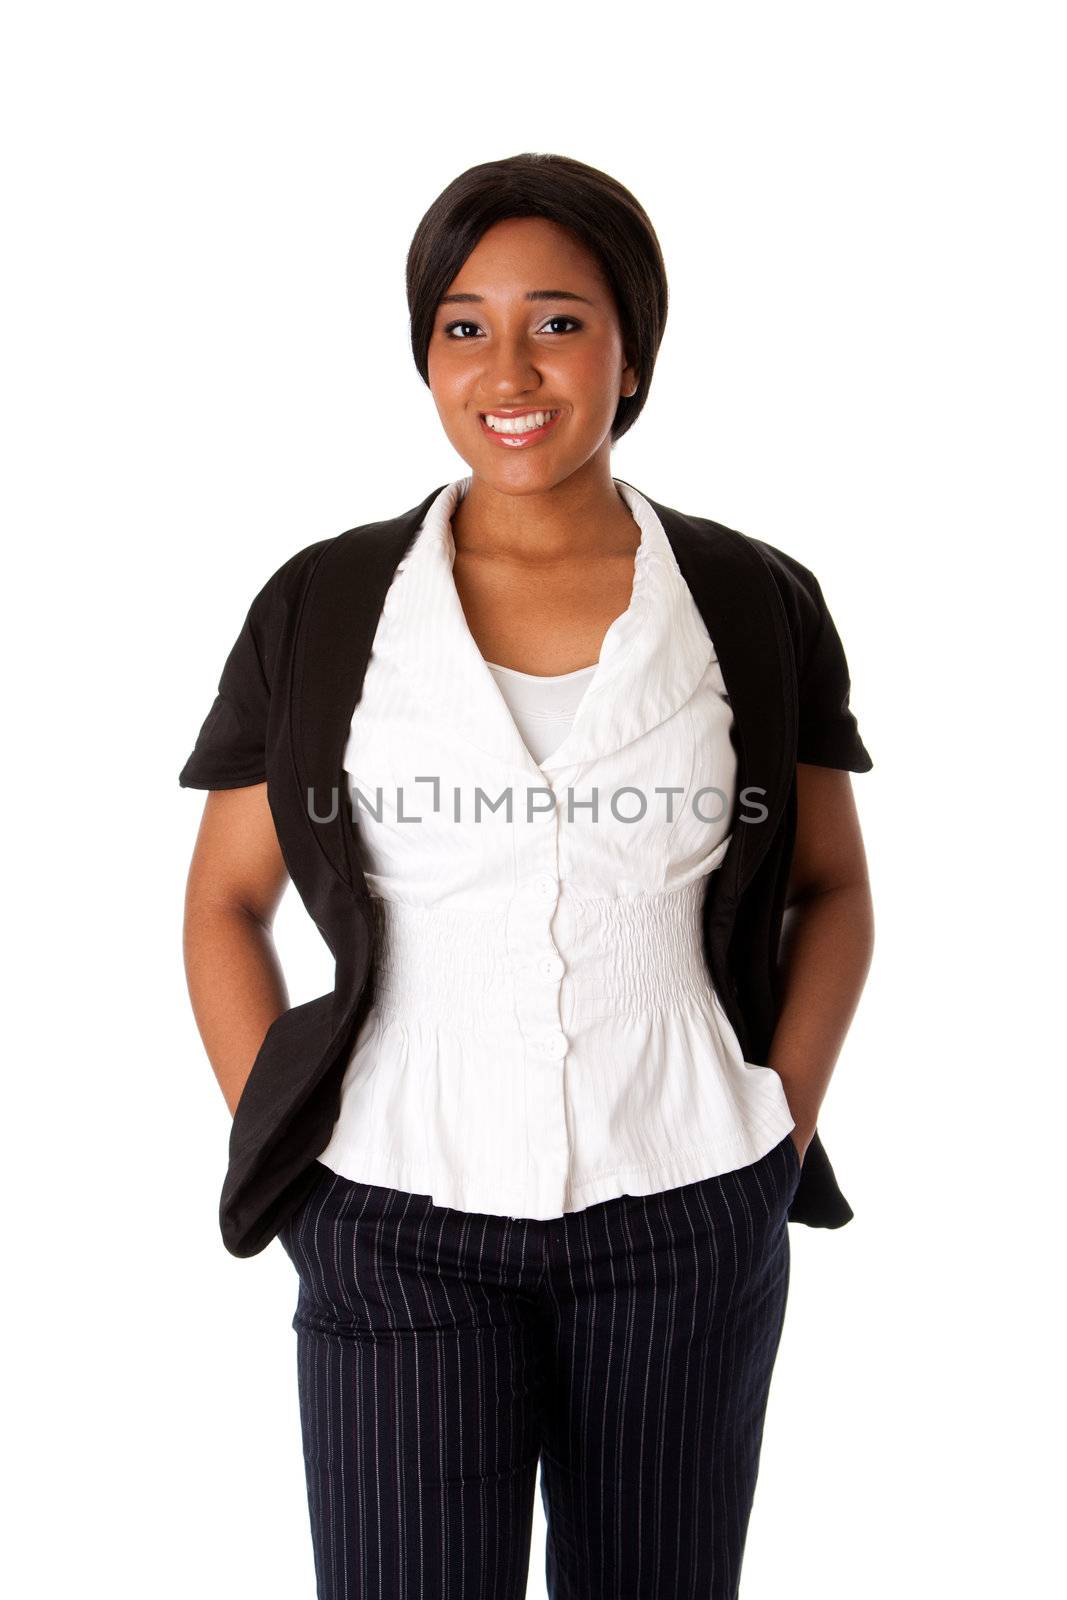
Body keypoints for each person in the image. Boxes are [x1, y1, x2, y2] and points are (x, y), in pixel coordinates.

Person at [180, 152, 875, 1600]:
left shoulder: (753, 601)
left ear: (632, 354)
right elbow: (222, 903)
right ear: (427, 354)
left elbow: (834, 890)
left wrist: (779, 1133)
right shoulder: (323, 605)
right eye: (462, 324)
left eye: (558, 322)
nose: (508, 366)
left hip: (689, 1211)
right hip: (391, 1224)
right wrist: (292, 1143)